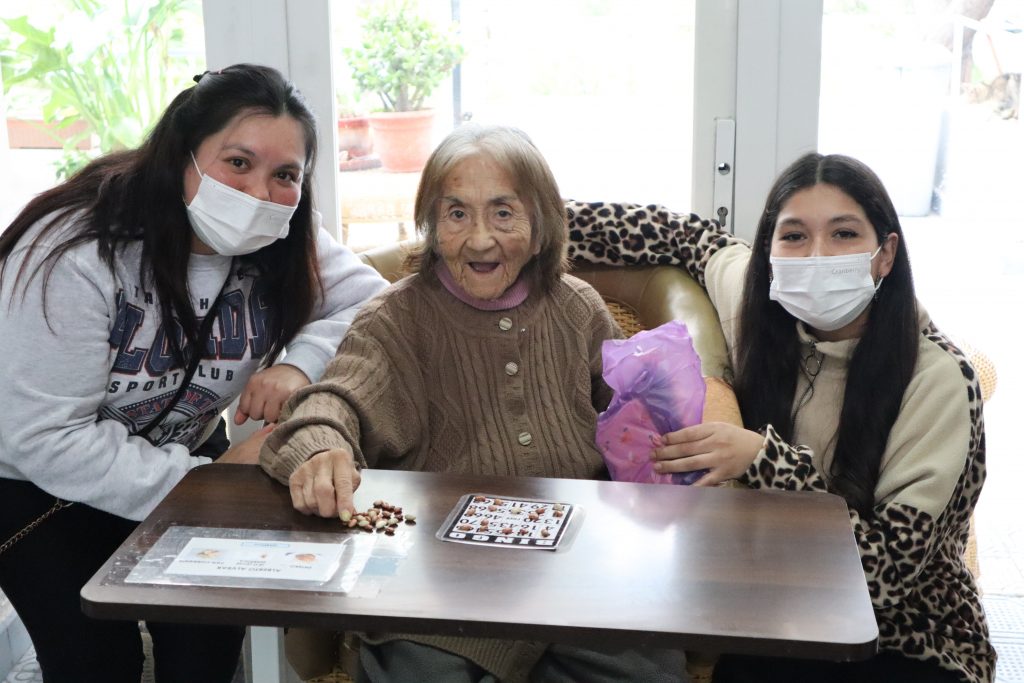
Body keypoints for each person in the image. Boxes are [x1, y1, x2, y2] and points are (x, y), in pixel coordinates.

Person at [0, 64, 388, 683]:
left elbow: (374, 305)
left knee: (205, 648)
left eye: (285, 175)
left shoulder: (286, 236)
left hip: (188, 454)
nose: (260, 193)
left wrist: (298, 364)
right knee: (95, 661)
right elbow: (46, 438)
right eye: (238, 162)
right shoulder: (74, 253)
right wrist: (210, 484)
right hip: (40, 488)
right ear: (182, 153)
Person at [260, 123, 688, 682]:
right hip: (439, 581)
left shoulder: (577, 307)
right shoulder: (396, 318)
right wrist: (321, 450)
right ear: (431, 226)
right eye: (456, 213)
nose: (480, 238)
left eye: (503, 213)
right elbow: (330, 405)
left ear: (541, 226)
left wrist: (667, 431)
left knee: (652, 670)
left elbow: (635, 417)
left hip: (579, 572)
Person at [565, 153, 995, 683]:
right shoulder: (760, 316)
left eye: (843, 234)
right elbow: (683, 236)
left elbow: (885, 576)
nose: (816, 257)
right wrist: (523, 225)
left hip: (911, 641)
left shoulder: (937, 379)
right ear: (768, 253)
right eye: (793, 236)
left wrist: (766, 461)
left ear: (885, 254)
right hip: (781, 620)